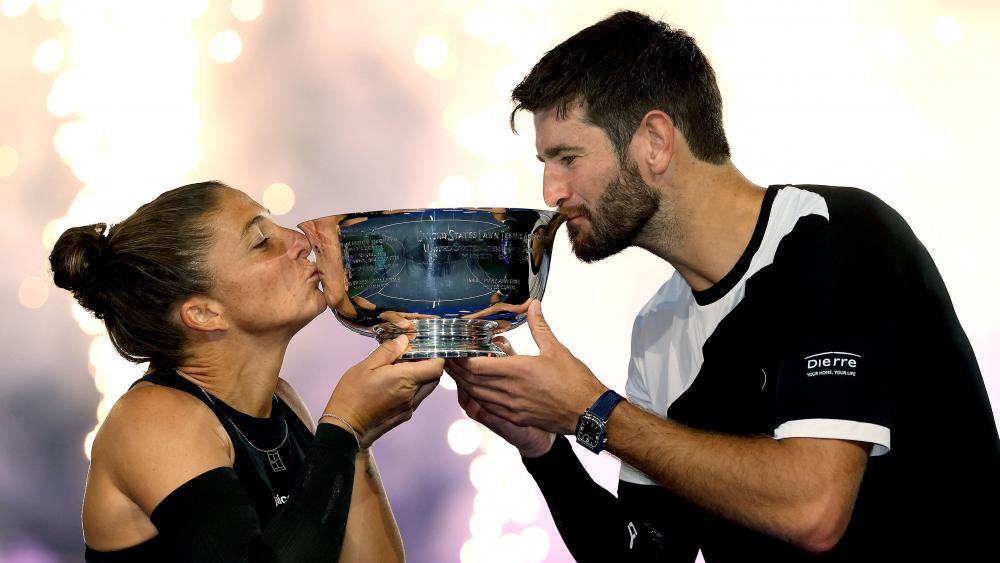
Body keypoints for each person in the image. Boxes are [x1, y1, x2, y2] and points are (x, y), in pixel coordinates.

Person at [446, 10, 1000, 562]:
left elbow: (812, 508)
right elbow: (648, 556)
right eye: (546, 163)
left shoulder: (836, 235)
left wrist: (593, 410)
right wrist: (542, 445)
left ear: (655, 141)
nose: (551, 191)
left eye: (567, 157)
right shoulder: (657, 328)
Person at [50, 181, 444, 562]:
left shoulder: (282, 400)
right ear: (204, 313)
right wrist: (344, 427)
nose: (300, 241)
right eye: (261, 241)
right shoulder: (151, 420)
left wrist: (356, 443)